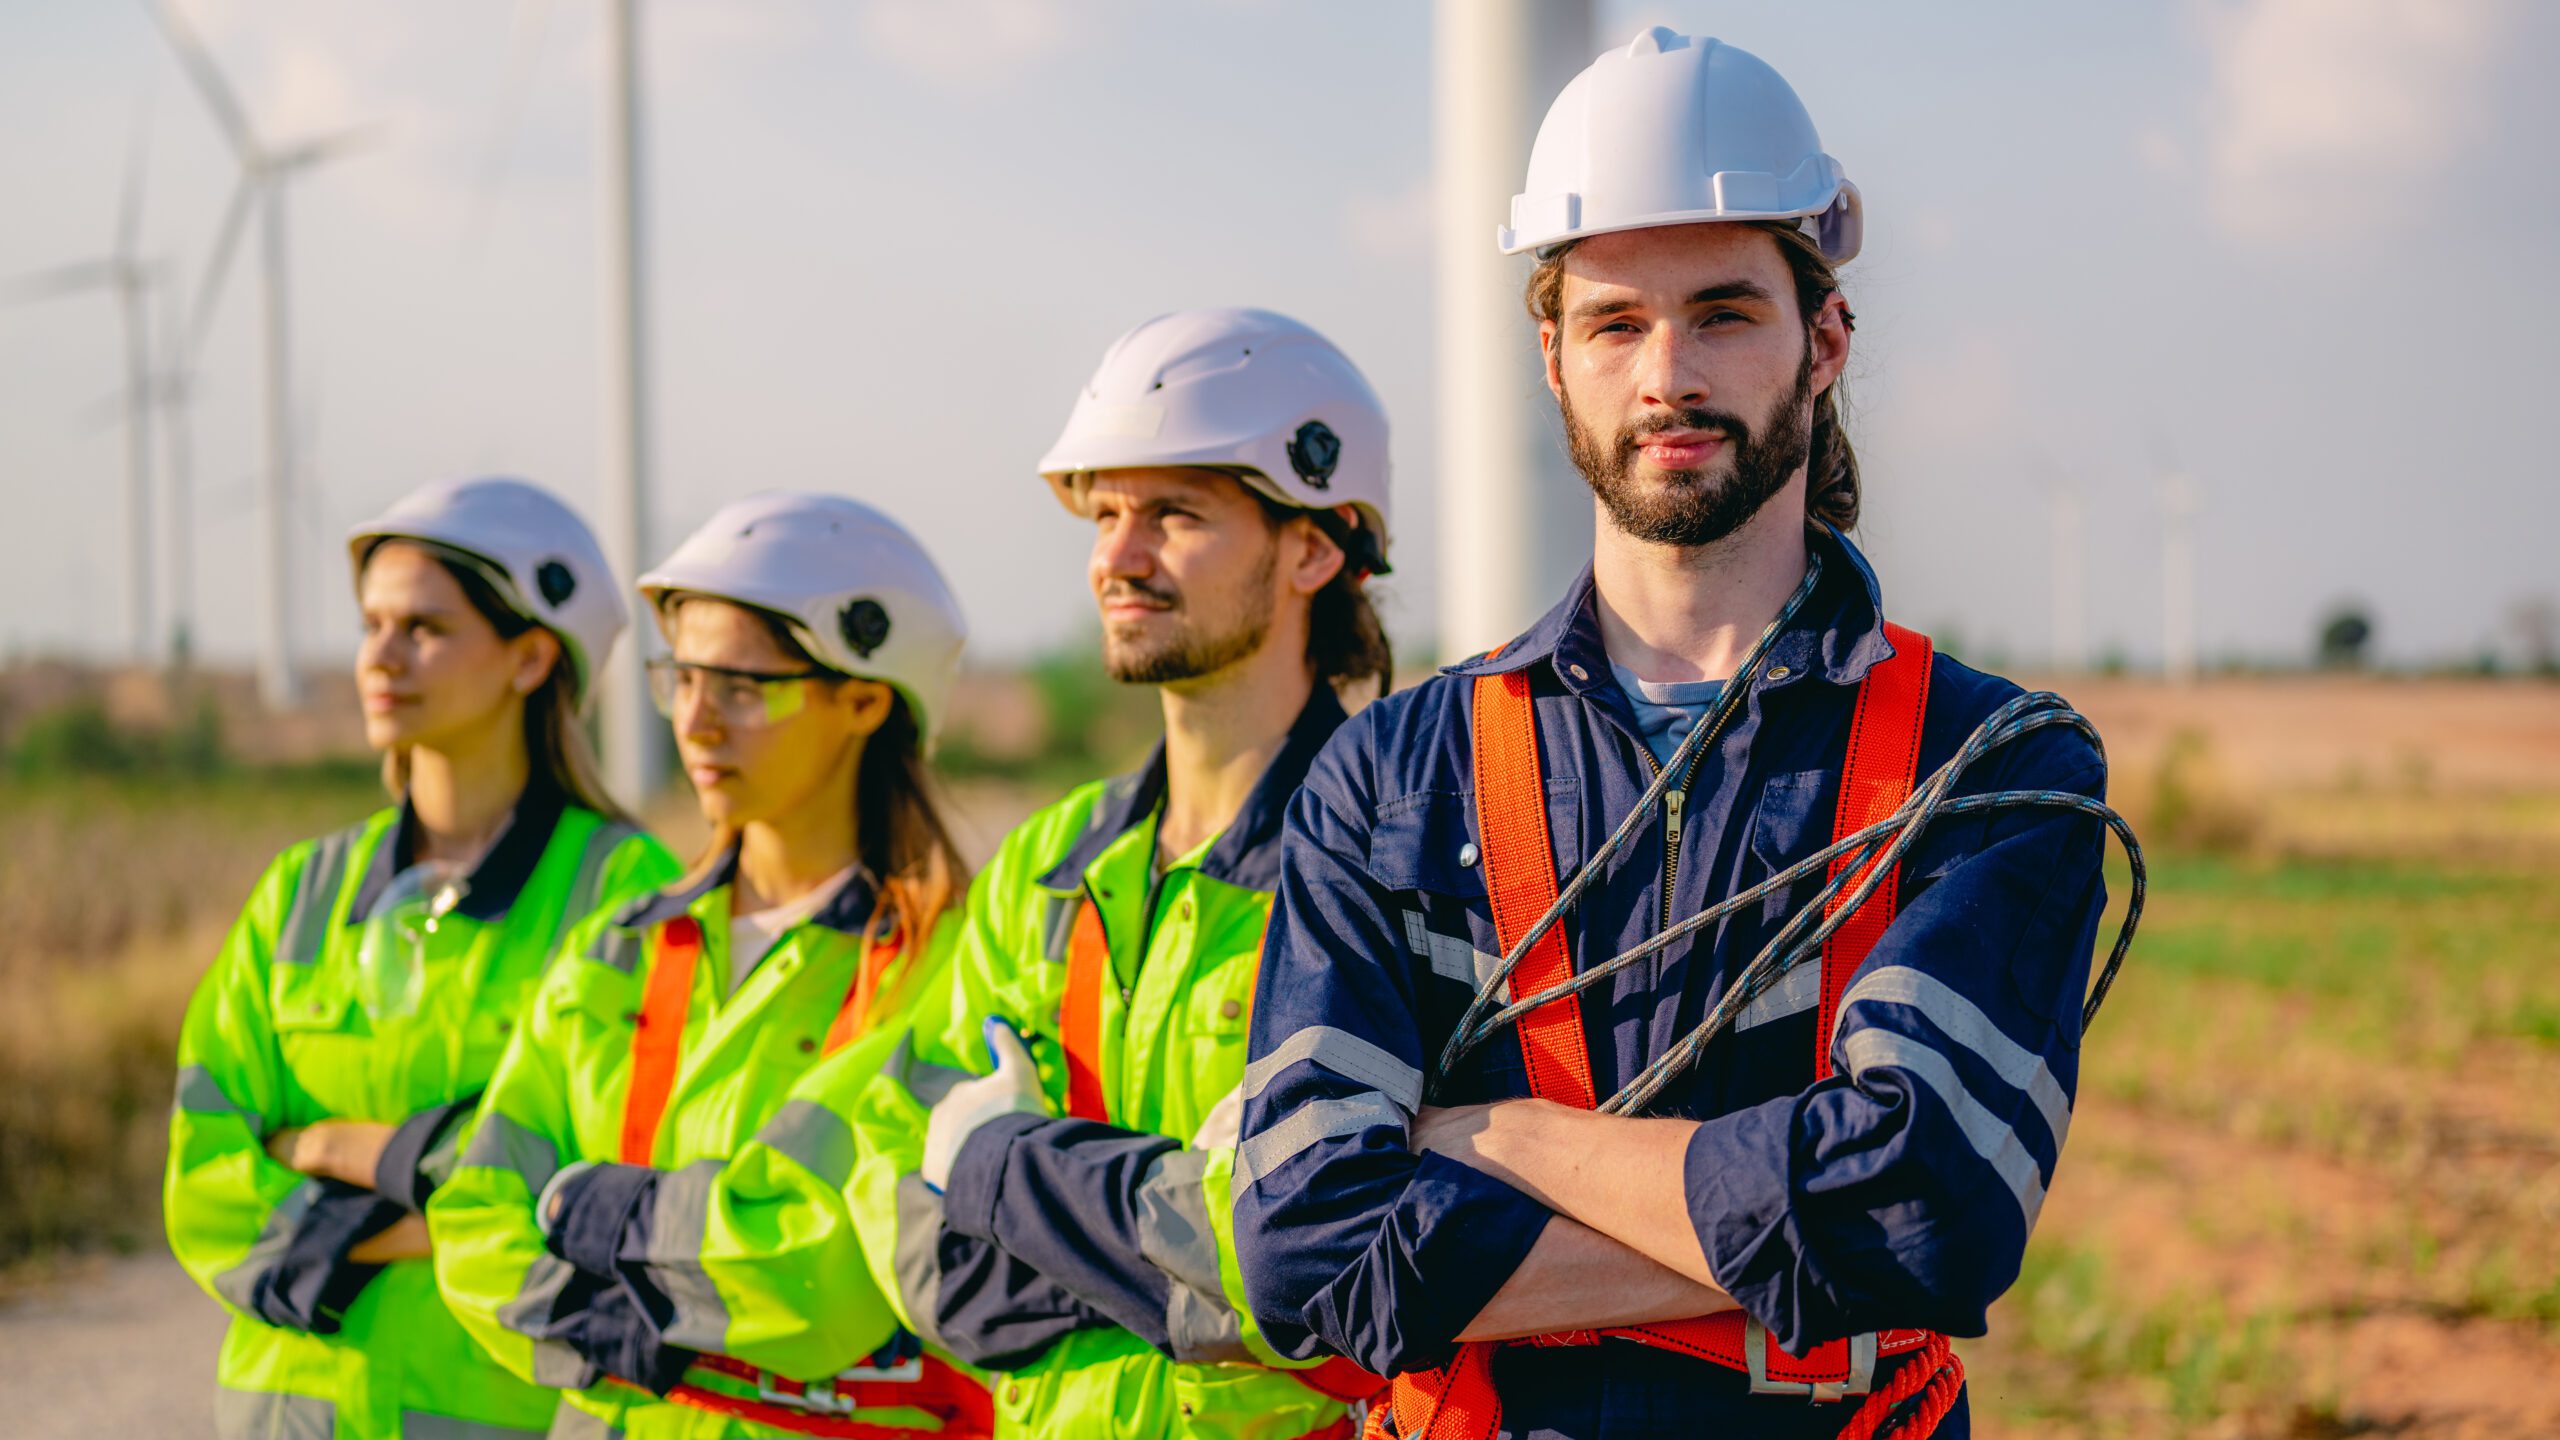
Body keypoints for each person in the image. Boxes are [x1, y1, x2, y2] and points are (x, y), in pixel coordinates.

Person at [1232, 29, 2114, 1440]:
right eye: (1615, 323)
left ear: (1824, 340)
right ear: (1552, 356)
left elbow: (1928, 1212)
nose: (1667, 377)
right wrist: (1781, 1234)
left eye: (1723, 313)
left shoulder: (1994, 769)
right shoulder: (1394, 780)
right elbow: (1304, 1250)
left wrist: (1492, 1139)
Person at [722, 308, 1396, 1440]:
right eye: (1106, 515)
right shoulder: (1048, 864)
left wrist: (995, 1165)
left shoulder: (1387, 860)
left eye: (1174, 515)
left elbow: (1314, 1264)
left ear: (1313, 548)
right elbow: (893, 1173)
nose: (1116, 558)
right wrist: (1155, 1270)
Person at [428, 492, 989, 1439]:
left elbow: (830, 1272)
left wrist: (591, 1212)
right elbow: (474, 1220)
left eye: (741, 686)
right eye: (679, 679)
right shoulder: (620, 949)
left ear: (863, 698)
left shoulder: (951, 962)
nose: (694, 720)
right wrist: (644, 1322)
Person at [167, 477, 681, 1440]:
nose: (379, 658)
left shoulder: (623, 896)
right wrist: (441, 1198)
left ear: (531, 657)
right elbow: (203, 1163)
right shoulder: (303, 888)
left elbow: (592, 1192)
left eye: (423, 629)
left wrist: (321, 1149)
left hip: (486, 1413)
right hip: (280, 1414)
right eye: (372, 625)